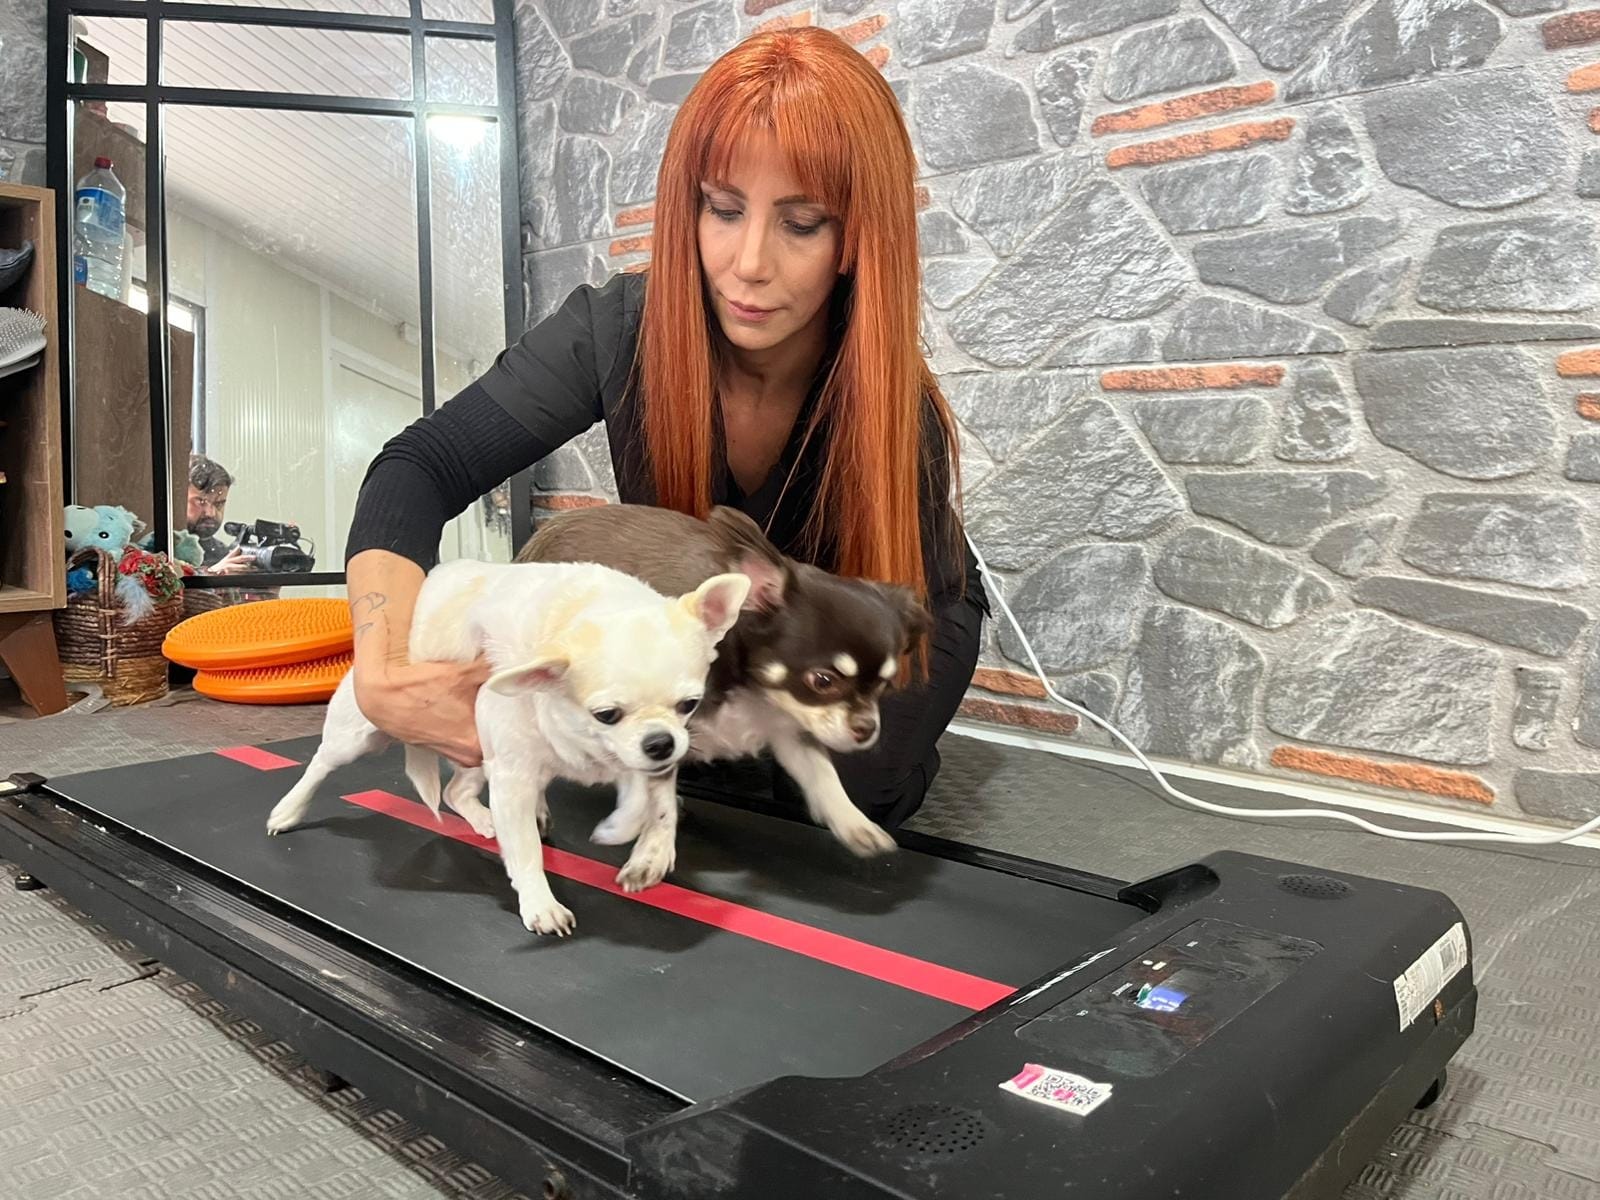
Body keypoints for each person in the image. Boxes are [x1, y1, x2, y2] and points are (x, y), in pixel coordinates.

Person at [342, 26, 987, 829]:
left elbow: (882, 613)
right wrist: (381, 673)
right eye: (724, 209)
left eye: (802, 223)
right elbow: (420, 465)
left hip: (905, 597)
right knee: (677, 750)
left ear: (854, 236)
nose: (749, 263)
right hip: (748, 623)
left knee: (854, 785)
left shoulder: (893, 400)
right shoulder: (615, 331)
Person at [185, 454, 253, 575]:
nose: (211, 513)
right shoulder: (160, 547)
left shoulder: (221, 553)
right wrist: (213, 573)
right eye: (201, 502)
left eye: (219, 504)